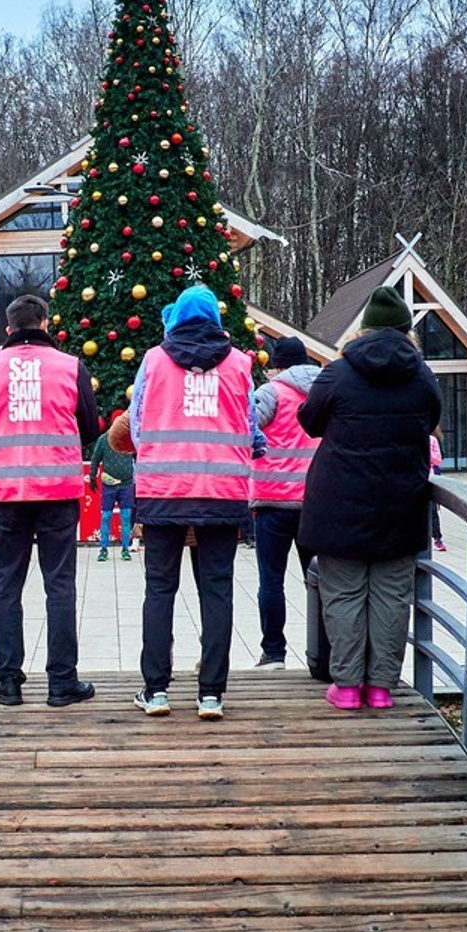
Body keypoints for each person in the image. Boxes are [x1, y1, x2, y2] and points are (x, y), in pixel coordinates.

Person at [298, 285, 442, 711]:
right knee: (392, 595)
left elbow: (309, 421)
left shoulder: (338, 372)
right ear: (406, 332)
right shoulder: (424, 376)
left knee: (342, 593)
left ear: (364, 331)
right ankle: (380, 687)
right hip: (401, 502)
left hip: (339, 502)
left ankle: (345, 687)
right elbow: (431, 420)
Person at [127, 287, 262, 720]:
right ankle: (211, 694)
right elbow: (250, 424)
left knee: (160, 588)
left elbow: (137, 424)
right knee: (218, 588)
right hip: (223, 490)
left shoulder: (153, 360)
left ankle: (157, 691)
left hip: (163, 489)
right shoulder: (241, 363)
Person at [0, 293, 100, 707]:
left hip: (6, 492)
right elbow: (91, 426)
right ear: (45, 323)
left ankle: (8, 682)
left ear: (9, 328)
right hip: (57, 490)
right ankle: (62, 683)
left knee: (7, 587)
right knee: (59, 586)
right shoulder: (70, 366)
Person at [250, 334, 320, 669]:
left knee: (271, 579)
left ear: (277, 365)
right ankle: (325, 652)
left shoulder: (270, 393)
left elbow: (246, 431)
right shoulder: (324, 391)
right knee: (321, 580)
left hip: (272, 500)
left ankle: (274, 653)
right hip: (316, 501)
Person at [89, 424, 135, 562]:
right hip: (110, 485)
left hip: (126, 485)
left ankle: (125, 548)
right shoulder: (103, 440)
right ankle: (104, 549)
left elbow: (140, 455)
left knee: (125, 518)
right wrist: (92, 476)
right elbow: (95, 458)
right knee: (106, 516)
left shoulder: (130, 439)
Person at [429, 428, 446, 551]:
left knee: (432, 510)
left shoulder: (433, 439)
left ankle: (437, 537)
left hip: (431, 477)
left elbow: (438, 459)